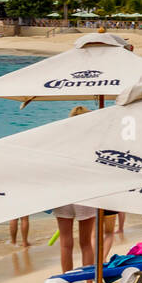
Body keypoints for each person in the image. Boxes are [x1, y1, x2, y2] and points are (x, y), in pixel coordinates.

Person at [52, 106, 98, 273]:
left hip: (64, 193)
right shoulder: (93, 144)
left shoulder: (61, 142)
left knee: (65, 243)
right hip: (85, 194)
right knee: (85, 243)